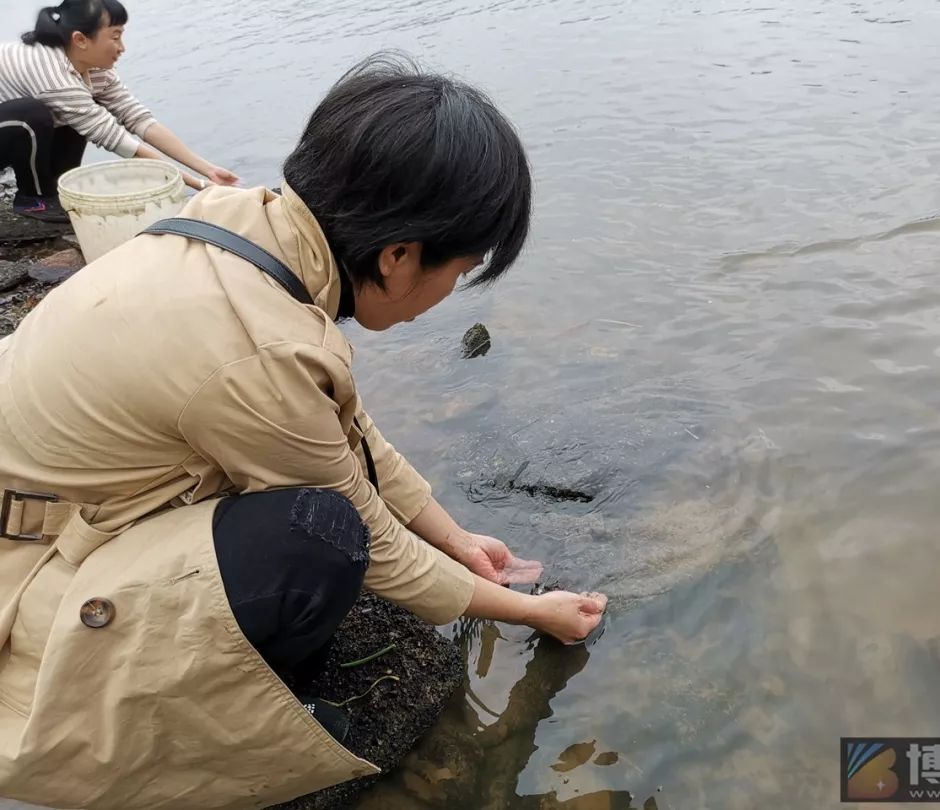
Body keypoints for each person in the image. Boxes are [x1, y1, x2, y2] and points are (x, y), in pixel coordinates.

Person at [0, 53, 607, 809]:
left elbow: (340, 428)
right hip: (28, 570)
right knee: (316, 538)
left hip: (64, 495)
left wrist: (454, 538)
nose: (452, 293)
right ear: (399, 255)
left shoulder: (244, 221)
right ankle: (200, 712)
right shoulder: (259, 349)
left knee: (321, 509)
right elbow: (370, 536)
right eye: (462, 268)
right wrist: (534, 611)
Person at [0, 0, 238, 223]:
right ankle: (34, 200)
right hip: (11, 124)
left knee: (81, 111)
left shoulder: (91, 69)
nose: (122, 47)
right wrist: (199, 185)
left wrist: (208, 170)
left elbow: (138, 118)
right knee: (32, 114)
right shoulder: (52, 74)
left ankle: (54, 189)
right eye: (115, 37)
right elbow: (118, 140)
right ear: (81, 39)